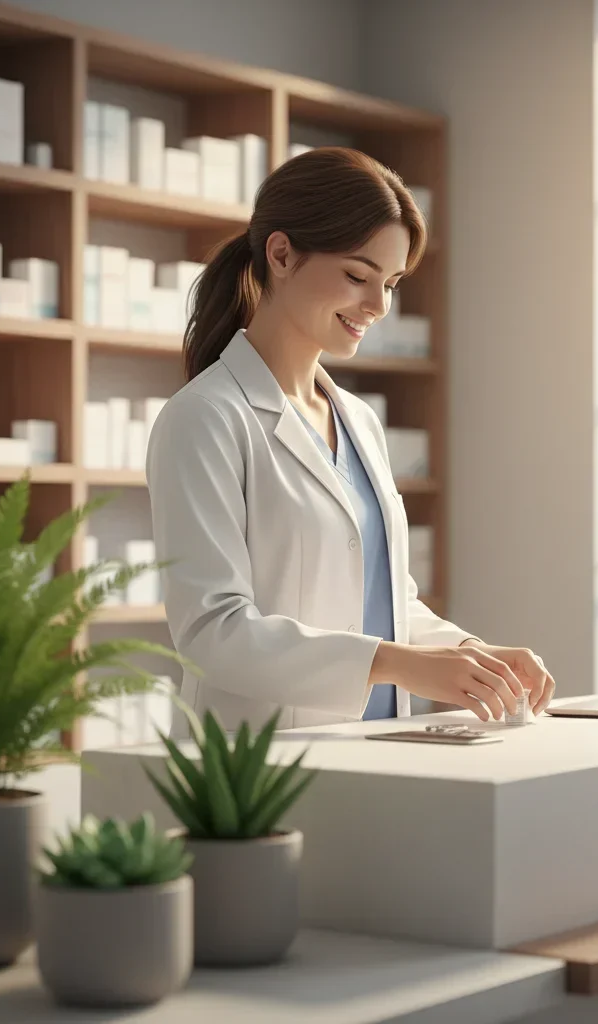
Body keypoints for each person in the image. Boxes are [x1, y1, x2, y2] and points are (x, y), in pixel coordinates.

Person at [146, 146, 555, 735]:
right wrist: (393, 663)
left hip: (379, 748)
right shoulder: (205, 418)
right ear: (281, 254)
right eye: (358, 277)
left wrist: (475, 656)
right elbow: (214, 630)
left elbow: (386, 601)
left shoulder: (357, 420)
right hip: (261, 767)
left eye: (390, 283)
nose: (378, 305)